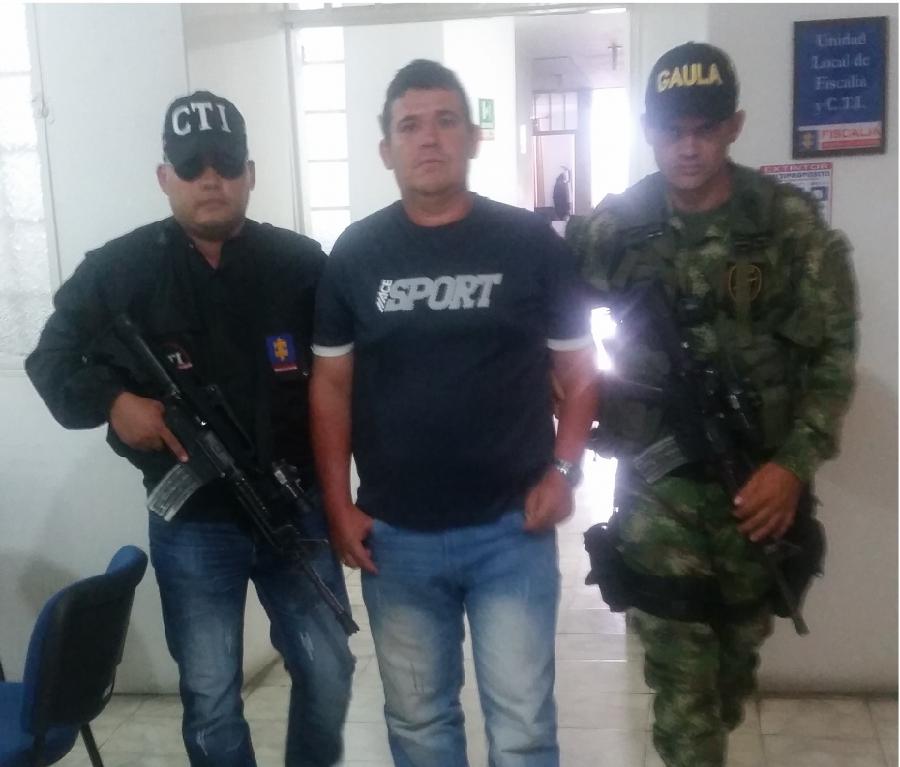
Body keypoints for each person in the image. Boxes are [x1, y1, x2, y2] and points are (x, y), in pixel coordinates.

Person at [25, 91, 354, 767]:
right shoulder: (120, 269)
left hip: (294, 504)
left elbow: (346, 377)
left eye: (226, 163)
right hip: (194, 520)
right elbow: (49, 359)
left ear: (250, 173)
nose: (211, 178)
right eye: (191, 164)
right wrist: (114, 400)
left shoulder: (300, 264)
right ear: (164, 176)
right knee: (210, 696)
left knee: (329, 669)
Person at [572, 43, 858, 767]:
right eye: (673, 131)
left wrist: (792, 467)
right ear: (648, 129)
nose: (689, 147)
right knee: (684, 693)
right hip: (657, 486)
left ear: (734, 126)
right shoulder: (617, 225)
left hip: (756, 486)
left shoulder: (784, 223)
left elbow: (833, 353)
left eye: (705, 129)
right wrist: (572, 399)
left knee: (731, 675)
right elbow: (546, 315)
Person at [309, 59, 598, 767]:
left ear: (473, 137)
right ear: (387, 149)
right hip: (396, 536)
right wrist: (337, 504)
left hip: (511, 529)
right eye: (410, 125)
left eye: (445, 121)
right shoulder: (356, 255)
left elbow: (580, 370)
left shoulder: (529, 244)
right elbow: (330, 387)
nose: (429, 138)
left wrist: (565, 469)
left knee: (523, 727)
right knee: (419, 726)